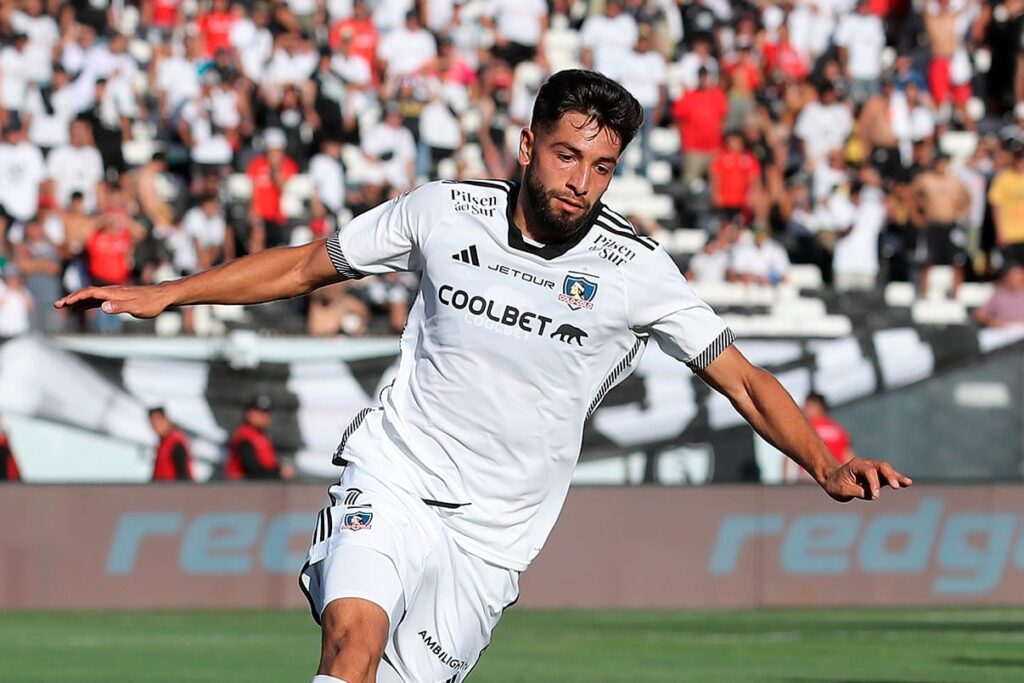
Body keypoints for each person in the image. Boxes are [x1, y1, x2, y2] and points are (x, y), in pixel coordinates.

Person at [56, 70, 912, 683]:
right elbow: (307, 265)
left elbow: (746, 379)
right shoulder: (441, 211)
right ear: (529, 142)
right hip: (394, 472)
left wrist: (825, 466)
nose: (582, 181)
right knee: (352, 645)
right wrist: (168, 294)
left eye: (604, 166)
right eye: (570, 156)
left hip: (495, 537)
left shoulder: (636, 269)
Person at [910, 153, 971, 297]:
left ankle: (956, 295)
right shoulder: (926, 180)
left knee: (957, 261)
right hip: (932, 225)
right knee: (927, 260)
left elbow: (968, 198)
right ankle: (923, 294)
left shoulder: (955, 181)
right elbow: (911, 196)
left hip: (951, 225)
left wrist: (963, 213)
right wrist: (917, 217)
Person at [785, 393, 855, 483]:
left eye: (808, 405)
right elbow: (848, 456)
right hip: (835, 478)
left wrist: (785, 483)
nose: (804, 409)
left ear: (818, 407)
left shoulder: (805, 428)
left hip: (809, 477)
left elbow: (789, 455)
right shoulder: (838, 429)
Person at [224, 395, 295, 480]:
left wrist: (280, 470)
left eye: (267, 413)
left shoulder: (262, 436)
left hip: (260, 486)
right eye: (261, 413)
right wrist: (279, 473)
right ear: (249, 414)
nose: (265, 417)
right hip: (242, 488)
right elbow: (252, 469)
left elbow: (269, 463)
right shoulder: (244, 436)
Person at [148, 407, 194, 482]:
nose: (155, 425)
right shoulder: (162, 445)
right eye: (152, 422)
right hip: (162, 490)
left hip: (172, 491)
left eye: (158, 421)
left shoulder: (176, 443)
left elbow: (184, 475)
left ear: (166, 419)